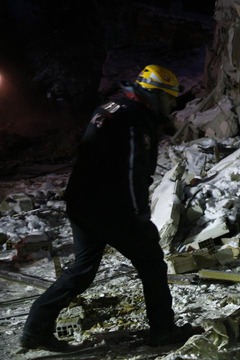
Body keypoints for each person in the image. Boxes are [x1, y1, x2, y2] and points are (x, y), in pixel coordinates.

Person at [20, 65, 198, 352]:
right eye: (167, 98)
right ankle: (163, 330)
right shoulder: (134, 119)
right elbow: (131, 173)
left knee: (82, 269)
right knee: (151, 262)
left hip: (83, 202)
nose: (171, 105)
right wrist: (140, 215)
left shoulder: (112, 107)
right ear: (153, 95)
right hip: (110, 207)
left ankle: (35, 328)